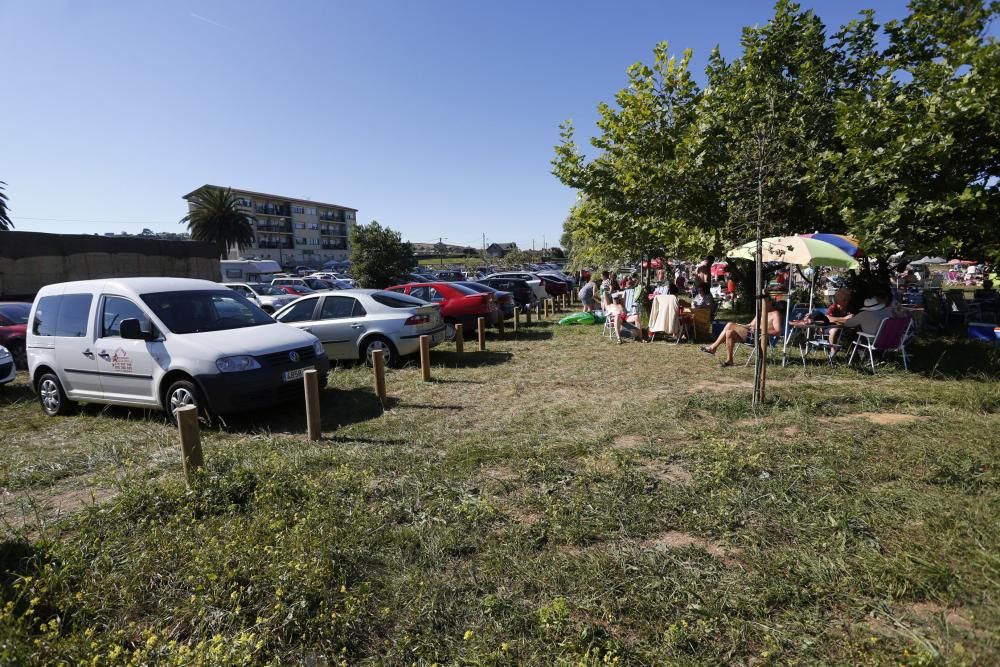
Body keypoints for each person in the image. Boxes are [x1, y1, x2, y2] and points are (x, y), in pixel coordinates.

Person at [700, 297, 783, 367]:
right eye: (760, 303)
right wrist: (740, 325)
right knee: (729, 332)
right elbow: (750, 325)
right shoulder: (761, 313)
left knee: (730, 324)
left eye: (763, 303)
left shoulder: (775, 314)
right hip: (752, 335)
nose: (761, 305)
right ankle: (729, 360)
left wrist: (762, 331)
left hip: (762, 338)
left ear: (769, 303)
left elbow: (778, 331)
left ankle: (713, 348)